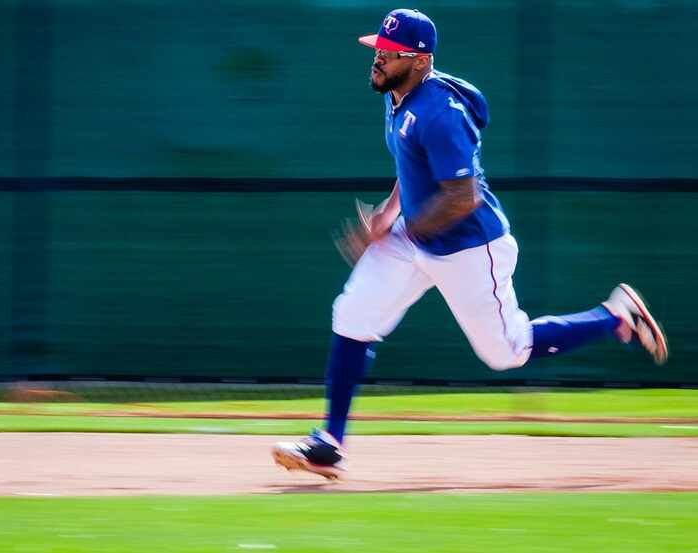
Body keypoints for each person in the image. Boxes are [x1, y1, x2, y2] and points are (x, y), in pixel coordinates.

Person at [271, 8, 668, 480]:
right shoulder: (399, 93)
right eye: (377, 49)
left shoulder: (440, 114)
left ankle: (615, 316)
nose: (377, 59)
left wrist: (409, 231)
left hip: (469, 246)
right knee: (353, 313)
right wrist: (387, 215)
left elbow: (462, 195)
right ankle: (329, 443)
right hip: (418, 234)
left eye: (389, 53)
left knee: (506, 351)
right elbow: (411, 161)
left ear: (420, 61)